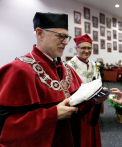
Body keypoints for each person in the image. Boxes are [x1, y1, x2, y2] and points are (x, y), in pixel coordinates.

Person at [0, 12, 102, 147]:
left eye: (67, 37)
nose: (66, 42)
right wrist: (52, 115)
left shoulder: (67, 69)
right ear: (40, 34)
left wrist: (96, 101)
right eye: (60, 36)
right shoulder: (18, 70)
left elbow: (81, 106)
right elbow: (4, 124)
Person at [67, 34, 108, 147]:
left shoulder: (94, 65)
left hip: (93, 108)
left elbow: (98, 83)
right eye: (83, 48)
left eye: (89, 48)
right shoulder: (69, 66)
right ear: (76, 49)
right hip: (78, 111)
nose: (86, 50)